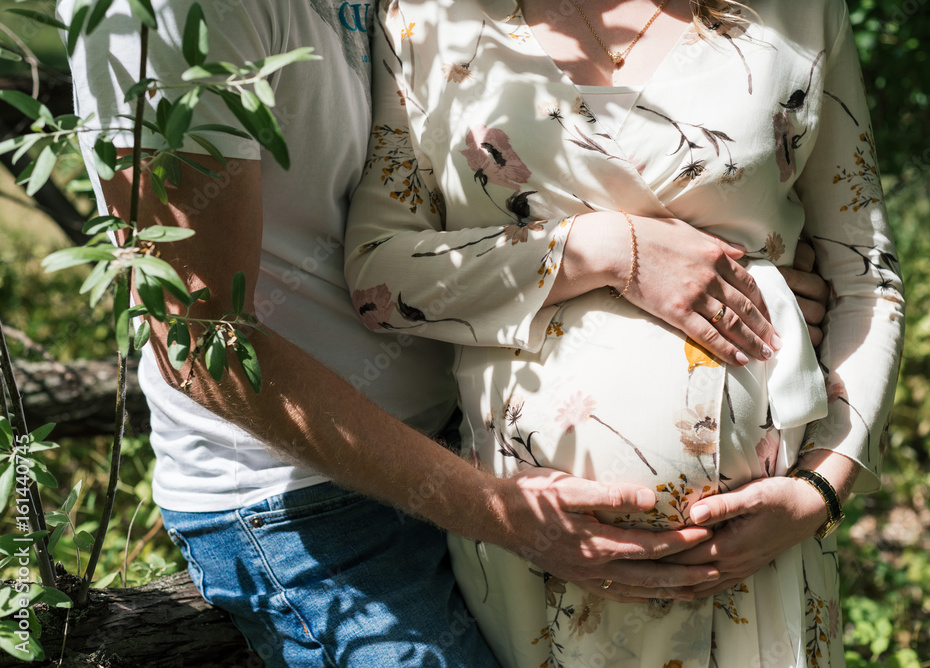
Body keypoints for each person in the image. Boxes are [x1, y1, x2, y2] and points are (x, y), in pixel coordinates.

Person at [55, 0, 832, 665]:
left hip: (465, 443)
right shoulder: (158, 17)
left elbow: (483, 193)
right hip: (305, 503)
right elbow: (201, 343)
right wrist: (497, 513)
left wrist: (738, 274)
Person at [344, 0, 905, 665]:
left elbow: (867, 278)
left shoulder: (796, 15)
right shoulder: (432, 19)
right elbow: (379, 275)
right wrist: (607, 248)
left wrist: (820, 489)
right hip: (537, 561)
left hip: (760, 568)